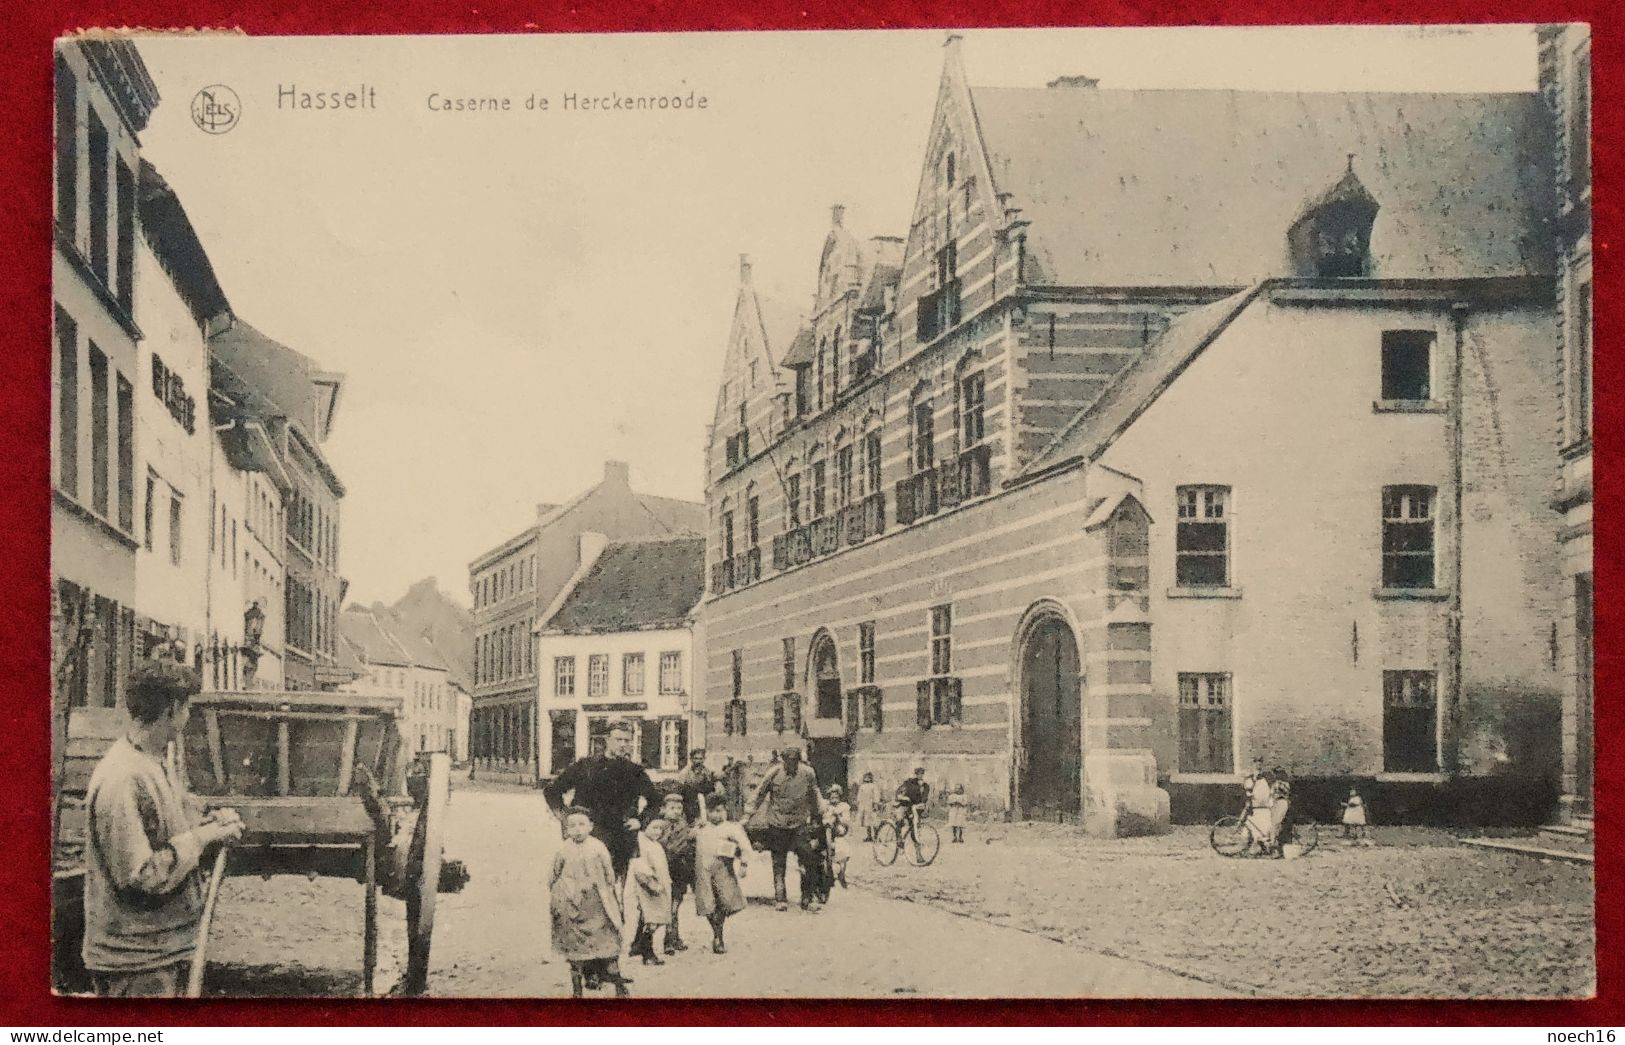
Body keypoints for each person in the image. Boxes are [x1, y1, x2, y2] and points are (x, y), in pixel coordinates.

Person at [82, 659, 245, 997]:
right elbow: (143, 875)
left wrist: (211, 824)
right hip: (134, 962)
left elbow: (167, 832)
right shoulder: (123, 777)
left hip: (159, 951)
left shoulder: (152, 762)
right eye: (186, 708)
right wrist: (203, 837)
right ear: (171, 709)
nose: (187, 719)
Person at [544, 721, 664, 881]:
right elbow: (552, 791)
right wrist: (567, 819)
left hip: (622, 838)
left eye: (627, 740)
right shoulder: (585, 767)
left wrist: (640, 821)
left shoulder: (635, 771)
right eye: (618, 739)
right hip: (590, 837)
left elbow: (655, 801)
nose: (623, 744)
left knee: (617, 888)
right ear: (607, 740)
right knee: (587, 885)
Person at [550, 807, 632, 997]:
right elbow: (553, 875)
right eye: (572, 826)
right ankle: (577, 990)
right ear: (566, 829)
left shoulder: (598, 847)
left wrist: (607, 891)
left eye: (581, 824)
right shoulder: (563, 849)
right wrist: (559, 897)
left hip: (597, 904)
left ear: (590, 826)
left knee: (607, 945)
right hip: (572, 905)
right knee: (575, 951)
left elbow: (609, 873)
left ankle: (619, 987)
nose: (577, 829)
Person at [747, 746, 823, 911]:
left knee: (807, 858)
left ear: (799, 760)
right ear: (783, 761)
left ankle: (807, 898)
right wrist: (748, 814)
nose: (792, 766)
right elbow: (760, 793)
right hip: (777, 823)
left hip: (799, 823)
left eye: (795, 762)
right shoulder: (774, 773)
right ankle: (780, 898)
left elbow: (815, 793)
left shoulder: (808, 773)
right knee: (779, 862)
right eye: (788, 763)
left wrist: (820, 814)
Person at [692, 796, 751, 954]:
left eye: (720, 811)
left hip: (723, 871)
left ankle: (718, 936)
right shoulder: (701, 828)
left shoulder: (731, 828)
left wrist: (743, 863)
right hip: (703, 871)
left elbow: (744, 846)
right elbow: (689, 840)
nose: (716, 815)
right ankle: (716, 933)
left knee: (724, 902)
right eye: (712, 811)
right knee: (707, 904)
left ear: (725, 811)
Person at [626, 819, 673, 965]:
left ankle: (637, 945)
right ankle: (647, 952)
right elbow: (639, 866)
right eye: (654, 828)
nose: (658, 832)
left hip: (660, 885)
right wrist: (650, 883)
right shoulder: (640, 843)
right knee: (652, 919)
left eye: (660, 828)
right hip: (648, 887)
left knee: (657, 918)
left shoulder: (656, 844)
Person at [656, 792, 695, 953]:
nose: (676, 811)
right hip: (665, 870)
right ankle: (668, 940)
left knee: (676, 904)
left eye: (679, 808)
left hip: (680, 871)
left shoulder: (684, 825)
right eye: (672, 808)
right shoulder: (660, 826)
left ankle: (674, 937)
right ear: (663, 809)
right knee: (669, 906)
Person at [674, 747, 723, 824]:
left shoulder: (708, 772)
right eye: (696, 759)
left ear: (704, 759)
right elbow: (680, 788)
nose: (698, 761)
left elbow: (716, 781)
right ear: (691, 759)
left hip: (704, 801)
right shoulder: (685, 773)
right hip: (690, 802)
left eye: (700, 759)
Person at [823, 785, 852, 889]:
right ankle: (827, 875)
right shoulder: (826, 805)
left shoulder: (844, 807)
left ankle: (842, 875)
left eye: (836, 797)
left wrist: (838, 816)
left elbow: (846, 822)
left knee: (842, 853)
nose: (833, 800)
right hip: (826, 831)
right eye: (831, 797)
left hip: (839, 832)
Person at [1243, 761, 1275, 855]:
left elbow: (1271, 790)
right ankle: (1253, 847)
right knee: (1252, 827)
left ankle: (1266, 848)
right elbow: (1248, 791)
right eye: (1256, 764)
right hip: (1255, 808)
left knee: (1266, 828)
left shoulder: (1267, 778)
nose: (1258, 766)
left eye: (1260, 764)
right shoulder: (1250, 779)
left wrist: (1271, 801)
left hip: (1266, 808)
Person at [895, 766, 931, 844]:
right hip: (904, 805)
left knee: (914, 825)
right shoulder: (909, 782)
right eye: (918, 774)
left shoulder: (925, 786)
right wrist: (901, 796)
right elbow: (899, 791)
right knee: (899, 820)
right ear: (915, 774)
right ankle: (899, 839)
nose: (920, 775)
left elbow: (925, 796)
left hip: (915, 807)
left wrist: (923, 803)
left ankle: (916, 841)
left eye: (922, 774)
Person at [1269, 766, 1293, 855]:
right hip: (1275, 803)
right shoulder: (1275, 783)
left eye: (1278, 773)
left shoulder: (1284, 783)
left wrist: (1278, 784)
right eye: (1275, 773)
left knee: (1276, 823)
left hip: (1282, 803)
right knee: (1272, 823)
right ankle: (1273, 843)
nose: (1276, 775)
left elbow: (1285, 792)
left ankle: (1274, 845)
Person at [854, 772, 882, 842]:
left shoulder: (873, 786)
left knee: (874, 821)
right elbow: (859, 796)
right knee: (867, 822)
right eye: (865, 777)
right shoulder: (862, 786)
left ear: (871, 778)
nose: (867, 779)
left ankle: (876, 836)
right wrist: (859, 804)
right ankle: (869, 836)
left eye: (868, 777)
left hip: (871, 805)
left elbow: (876, 796)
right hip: (864, 805)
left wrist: (875, 804)